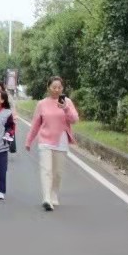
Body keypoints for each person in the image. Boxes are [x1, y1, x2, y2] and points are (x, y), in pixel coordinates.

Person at [25, 76, 80, 212]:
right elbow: (35, 124)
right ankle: (46, 198)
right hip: (45, 141)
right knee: (46, 170)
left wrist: (66, 108)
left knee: (58, 172)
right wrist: (29, 140)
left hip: (61, 140)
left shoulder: (67, 102)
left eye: (59, 87)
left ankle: (54, 193)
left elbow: (75, 120)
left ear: (62, 88)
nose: (56, 90)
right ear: (48, 87)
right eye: (54, 87)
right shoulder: (42, 104)